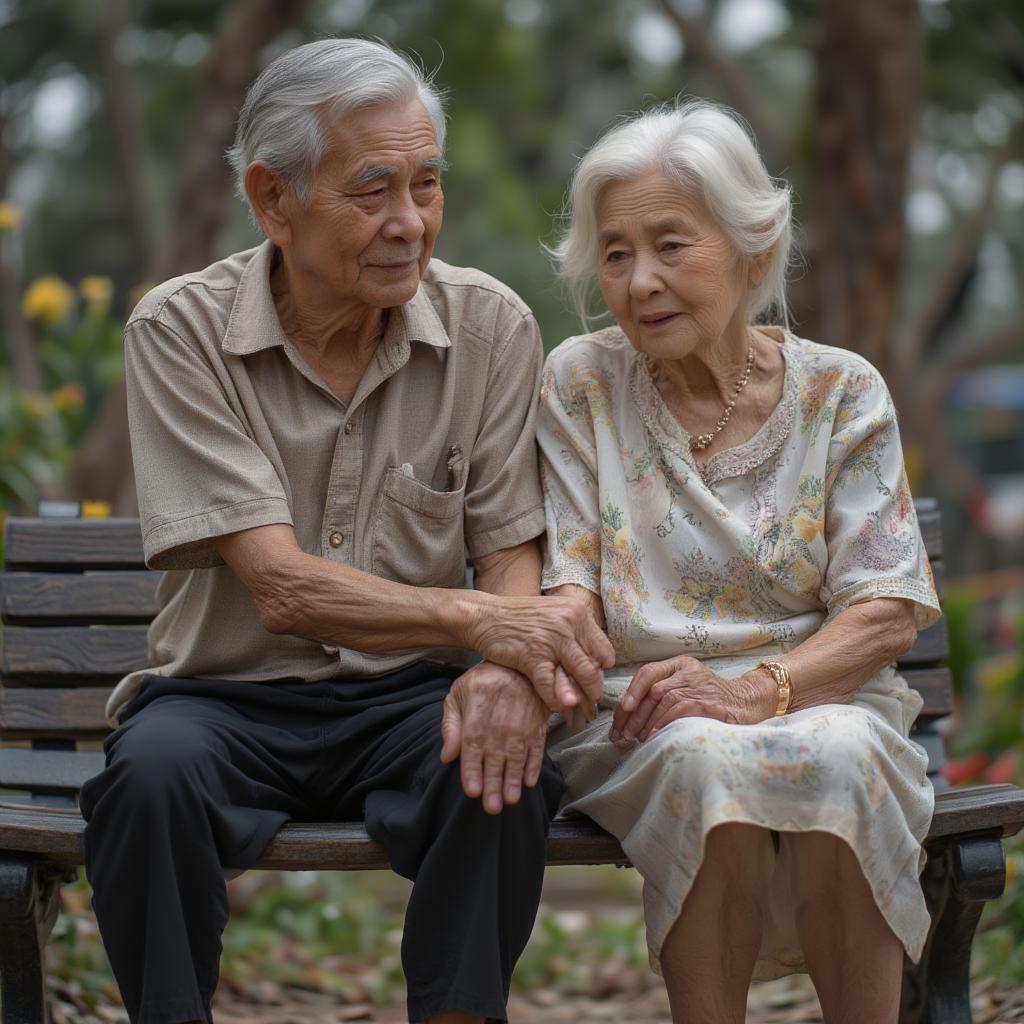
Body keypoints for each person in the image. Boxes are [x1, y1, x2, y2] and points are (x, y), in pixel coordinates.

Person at [80, 37, 614, 1024]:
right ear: (272, 200)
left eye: (425, 184)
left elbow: (509, 552)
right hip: (225, 699)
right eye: (372, 190)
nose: (408, 223)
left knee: (498, 765)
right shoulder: (181, 332)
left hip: (408, 698)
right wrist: (488, 626)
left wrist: (501, 672)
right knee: (148, 780)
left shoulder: (489, 327)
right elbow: (280, 585)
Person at [537, 100, 942, 1024]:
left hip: (821, 693)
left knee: (841, 756)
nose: (639, 282)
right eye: (615, 252)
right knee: (699, 757)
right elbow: (572, 582)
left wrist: (760, 689)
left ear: (753, 251)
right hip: (639, 711)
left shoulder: (842, 390)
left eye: (671, 246)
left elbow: (884, 608)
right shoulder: (580, 383)